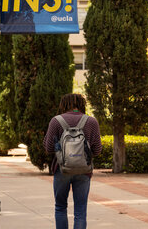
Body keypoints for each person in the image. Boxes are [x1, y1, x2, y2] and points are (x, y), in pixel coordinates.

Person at [44, 93, 102, 229]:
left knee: (60, 207)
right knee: (80, 210)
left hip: (61, 169)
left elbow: (48, 148)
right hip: (84, 171)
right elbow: (98, 150)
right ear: (82, 104)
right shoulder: (91, 121)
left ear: (63, 105)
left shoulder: (56, 121)